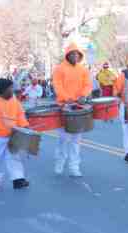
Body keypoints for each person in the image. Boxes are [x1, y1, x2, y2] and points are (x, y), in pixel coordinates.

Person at [0, 79, 30, 189]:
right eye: (10, 88)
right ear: (3, 90)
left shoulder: (14, 100)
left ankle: (18, 180)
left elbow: (20, 115)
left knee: (14, 156)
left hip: (12, 135)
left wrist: (25, 125)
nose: (12, 90)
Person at [52, 42, 92, 177]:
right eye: (73, 54)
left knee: (76, 140)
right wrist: (66, 98)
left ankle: (74, 167)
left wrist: (83, 95)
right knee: (63, 139)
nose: (75, 56)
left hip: (79, 108)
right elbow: (57, 86)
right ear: (67, 55)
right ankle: (59, 163)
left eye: (77, 54)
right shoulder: (59, 69)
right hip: (64, 107)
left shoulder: (83, 70)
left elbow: (88, 85)